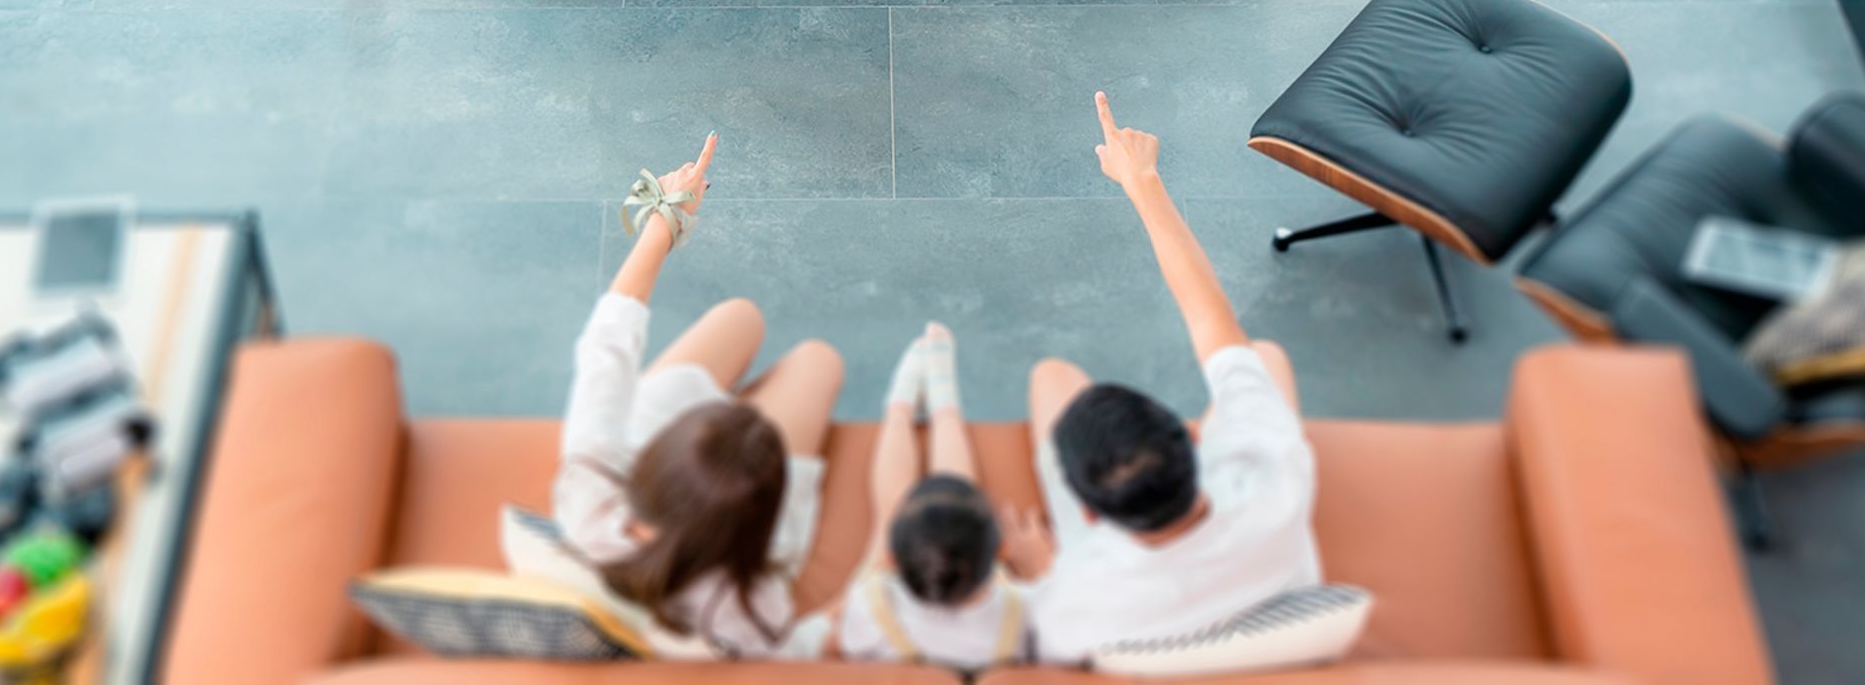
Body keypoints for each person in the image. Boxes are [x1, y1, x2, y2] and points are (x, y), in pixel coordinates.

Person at [1018, 92, 1320, 663]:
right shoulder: (1274, 475)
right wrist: (1143, 181)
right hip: (1259, 586)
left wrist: (1038, 566)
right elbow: (1212, 318)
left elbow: (1047, 622)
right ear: (1195, 442)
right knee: (1263, 358)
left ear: (1087, 514)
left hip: (1132, 588)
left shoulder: (1072, 599)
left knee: (1052, 377)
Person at [553, 134, 846, 655]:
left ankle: (744, 428)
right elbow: (606, 346)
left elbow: (609, 343)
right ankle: (743, 422)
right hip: (694, 497)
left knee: (747, 323)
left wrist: (667, 218)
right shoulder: (752, 610)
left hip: (670, 475)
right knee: (812, 357)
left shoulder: (592, 497)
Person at [831, 324, 1034, 669]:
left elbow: (835, 642)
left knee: (892, 515)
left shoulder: (867, 611)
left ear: (891, 560)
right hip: (983, 601)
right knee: (956, 501)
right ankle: (944, 404)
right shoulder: (1024, 613)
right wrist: (1039, 569)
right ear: (1002, 549)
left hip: (894, 609)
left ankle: (899, 410)